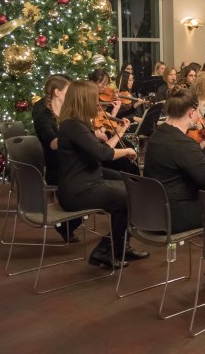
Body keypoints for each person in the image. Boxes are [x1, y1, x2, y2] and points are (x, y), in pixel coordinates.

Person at [142, 88, 205, 290]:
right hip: (173, 213)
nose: (199, 116)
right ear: (191, 112)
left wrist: (203, 142)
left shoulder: (160, 134)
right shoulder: (181, 143)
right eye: (197, 112)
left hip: (153, 211)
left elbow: (184, 161)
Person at [56, 80, 149, 268]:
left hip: (85, 181)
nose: (98, 103)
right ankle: (106, 250)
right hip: (78, 190)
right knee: (129, 196)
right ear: (84, 100)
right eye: (94, 99)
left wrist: (119, 133)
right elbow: (103, 154)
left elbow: (101, 149)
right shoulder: (74, 126)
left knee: (132, 188)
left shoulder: (76, 124)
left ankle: (120, 246)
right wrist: (128, 151)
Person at [32, 74, 80, 243]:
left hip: (72, 163)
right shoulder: (43, 117)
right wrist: (77, 136)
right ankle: (65, 224)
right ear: (57, 92)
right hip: (58, 168)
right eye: (69, 90)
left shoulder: (66, 111)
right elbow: (53, 143)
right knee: (94, 185)